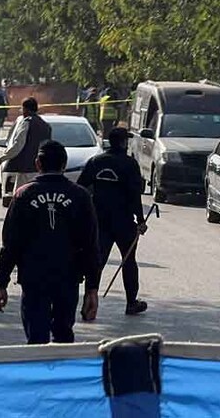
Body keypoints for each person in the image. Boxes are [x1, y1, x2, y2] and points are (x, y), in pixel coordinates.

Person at [0, 140, 100, 344]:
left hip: (34, 278)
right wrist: (92, 289)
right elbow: (91, 246)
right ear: (64, 164)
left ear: (37, 164)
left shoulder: (24, 195)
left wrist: (2, 283)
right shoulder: (80, 196)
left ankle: (40, 372)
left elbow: (11, 244)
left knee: (36, 339)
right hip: (67, 278)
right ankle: (60, 373)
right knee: (63, 335)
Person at [77, 127, 150, 315]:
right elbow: (135, 195)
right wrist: (140, 220)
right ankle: (131, 303)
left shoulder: (95, 161)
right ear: (124, 142)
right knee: (129, 261)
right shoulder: (129, 164)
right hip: (123, 221)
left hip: (99, 220)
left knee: (96, 262)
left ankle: (89, 302)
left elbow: (80, 187)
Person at [0, 97, 52, 191]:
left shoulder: (27, 122)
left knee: (21, 196)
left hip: (26, 169)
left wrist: (1, 159)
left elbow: (18, 145)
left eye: (22, 109)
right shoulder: (45, 125)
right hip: (40, 169)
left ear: (26, 109)